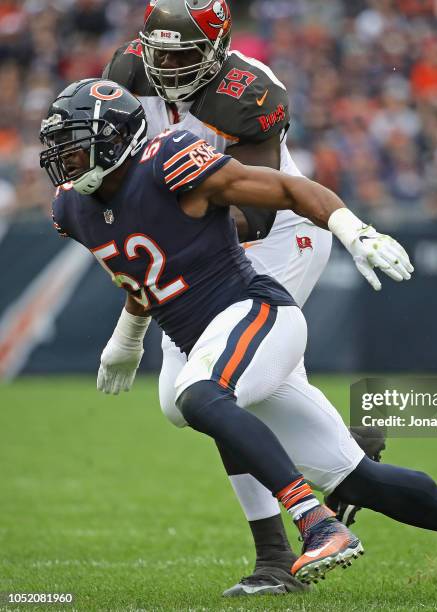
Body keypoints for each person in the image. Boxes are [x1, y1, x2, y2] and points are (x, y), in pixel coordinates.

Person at [41, 78, 437, 602]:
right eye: (60, 150)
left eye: (77, 146)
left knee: (195, 394)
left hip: (256, 312)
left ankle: (316, 522)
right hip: (216, 341)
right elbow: (138, 271)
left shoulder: (169, 160)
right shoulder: (72, 210)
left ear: (117, 139)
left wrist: (354, 230)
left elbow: (286, 188)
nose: (66, 161)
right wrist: (127, 337)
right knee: (356, 479)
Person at [99, 0, 384, 595]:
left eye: (185, 53)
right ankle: (349, 455)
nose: (169, 67)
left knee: (209, 390)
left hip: (279, 230)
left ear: (220, 48)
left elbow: (252, 213)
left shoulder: (250, 90)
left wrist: (139, 311)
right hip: (196, 229)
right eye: (161, 52)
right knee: (200, 398)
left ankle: (277, 557)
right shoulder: (125, 74)